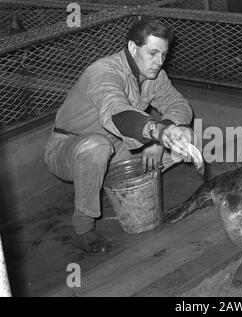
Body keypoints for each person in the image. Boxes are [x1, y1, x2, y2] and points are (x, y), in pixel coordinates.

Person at [44, 18, 194, 256]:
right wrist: (156, 132)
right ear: (133, 48)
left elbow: (179, 105)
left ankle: (121, 188)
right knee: (96, 147)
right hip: (70, 148)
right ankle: (84, 228)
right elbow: (117, 113)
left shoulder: (154, 74)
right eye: (153, 53)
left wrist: (162, 135)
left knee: (183, 144)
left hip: (117, 146)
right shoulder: (103, 72)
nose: (159, 62)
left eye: (163, 54)